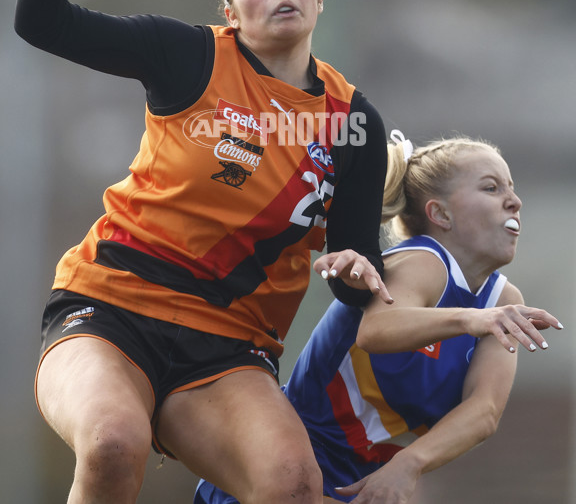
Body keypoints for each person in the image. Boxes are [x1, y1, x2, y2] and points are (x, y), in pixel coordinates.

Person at [14, 0, 394, 504]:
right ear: (230, 10)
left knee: (295, 484)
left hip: (226, 347)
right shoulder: (187, 56)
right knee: (112, 443)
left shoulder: (354, 122)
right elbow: (41, 24)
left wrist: (356, 271)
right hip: (110, 307)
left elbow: (357, 273)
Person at [195, 134, 563, 504]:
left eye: (511, 189)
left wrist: (410, 463)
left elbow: (484, 412)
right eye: (491, 187)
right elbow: (377, 330)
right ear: (440, 215)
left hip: (358, 481)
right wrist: (472, 319)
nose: (515, 201)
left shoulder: (504, 300)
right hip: (291, 459)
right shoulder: (425, 260)